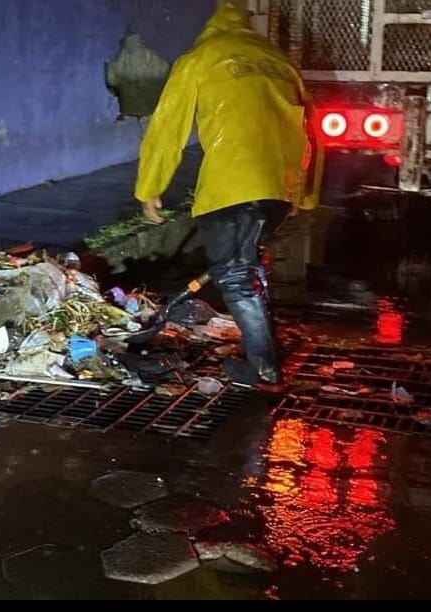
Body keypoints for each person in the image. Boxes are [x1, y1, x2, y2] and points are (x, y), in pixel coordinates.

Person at [133, 0, 323, 389]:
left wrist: (149, 187)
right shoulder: (278, 62)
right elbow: (311, 132)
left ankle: (264, 367)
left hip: (234, 186)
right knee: (244, 266)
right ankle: (262, 344)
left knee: (235, 274)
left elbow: (167, 128)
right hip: (279, 188)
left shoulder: (201, 57)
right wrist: (305, 195)